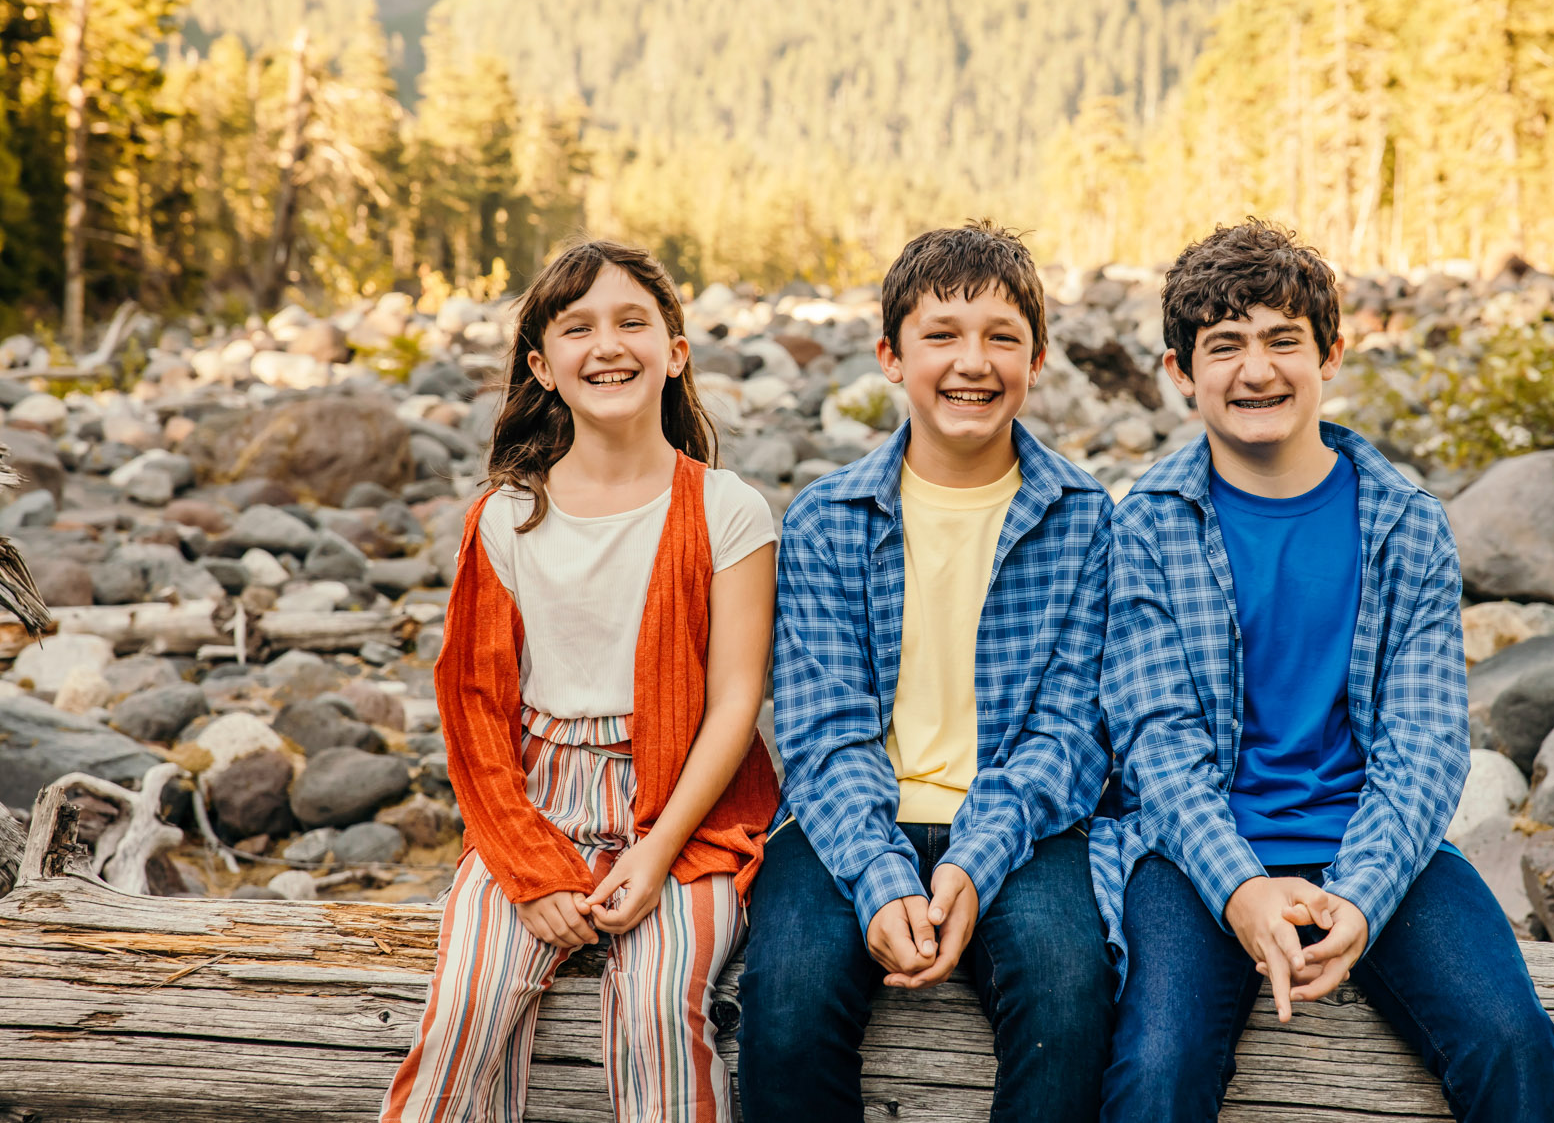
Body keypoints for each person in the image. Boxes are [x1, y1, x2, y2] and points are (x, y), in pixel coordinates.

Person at [1091, 220, 1554, 1123]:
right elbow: (1156, 748)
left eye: (1283, 342)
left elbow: (1426, 746)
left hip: (1376, 840)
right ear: (1179, 373)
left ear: (1332, 354)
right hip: (1197, 856)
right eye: (1224, 347)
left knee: (1513, 1042)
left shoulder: (1404, 522)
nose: (1256, 370)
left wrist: (1361, 894)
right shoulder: (1148, 525)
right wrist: (1240, 890)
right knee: (1155, 1066)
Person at [380, 240, 781, 1123]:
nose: (609, 344)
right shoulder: (508, 518)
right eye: (579, 328)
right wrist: (531, 870)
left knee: (657, 1013)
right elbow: (475, 713)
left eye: (634, 323)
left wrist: (655, 852)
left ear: (675, 353)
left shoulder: (729, 510)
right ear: (544, 366)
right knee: (466, 1008)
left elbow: (735, 705)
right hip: (537, 799)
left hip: (689, 805)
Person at [738, 221, 1115, 1122]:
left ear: (1038, 357)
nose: (970, 363)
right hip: (849, 814)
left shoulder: (1085, 518)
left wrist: (974, 862)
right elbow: (823, 732)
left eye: (1001, 338)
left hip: (1026, 820)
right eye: (940, 336)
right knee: (785, 1008)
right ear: (890, 356)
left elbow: (1072, 732)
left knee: (1068, 1001)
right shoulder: (831, 517)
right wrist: (882, 877)